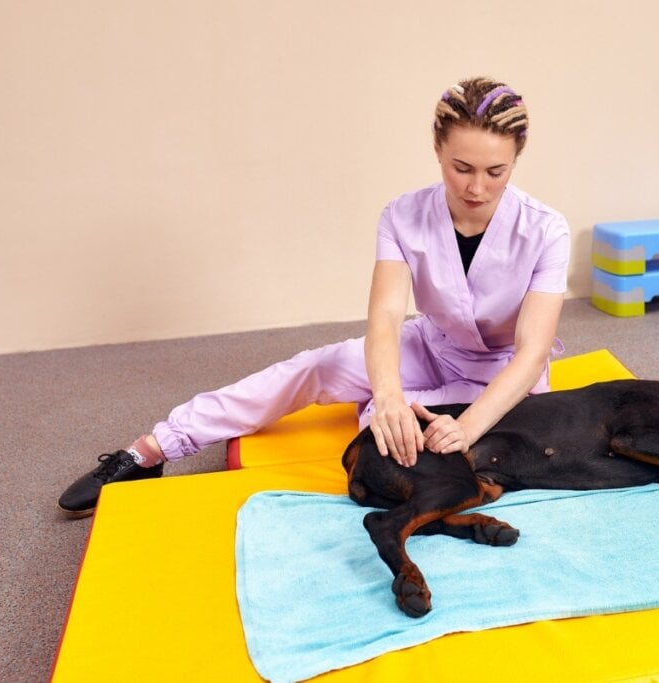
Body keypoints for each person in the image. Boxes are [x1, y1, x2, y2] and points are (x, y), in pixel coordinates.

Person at [58, 76, 571, 518]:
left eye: (495, 172)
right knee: (316, 367)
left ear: (515, 161)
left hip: (499, 380)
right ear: (437, 149)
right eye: (462, 167)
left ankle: (384, 412)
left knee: (388, 432)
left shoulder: (547, 230)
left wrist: (468, 425)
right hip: (430, 346)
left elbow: (530, 352)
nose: (477, 187)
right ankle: (150, 451)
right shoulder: (401, 215)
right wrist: (390, 394)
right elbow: (387, 317)